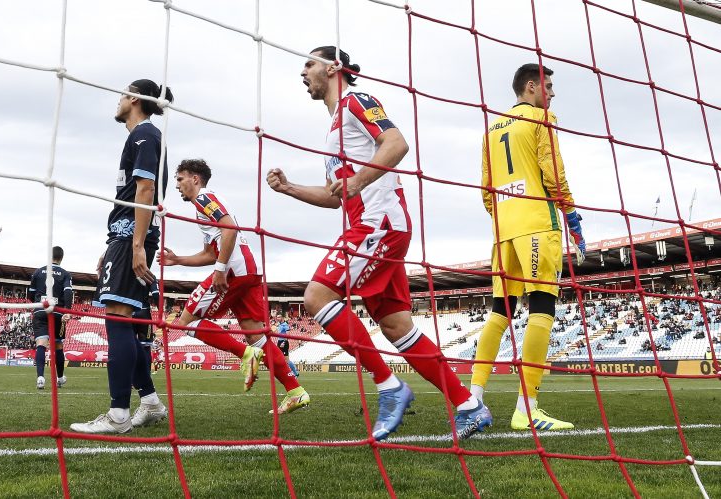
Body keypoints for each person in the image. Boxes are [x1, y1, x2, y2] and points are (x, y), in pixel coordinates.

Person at [266, 46, 489, 441]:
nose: (302, 72)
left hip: (378, 224)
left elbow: (397, 143)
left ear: (334, 68)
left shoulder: (357, 101)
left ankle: (389, 387)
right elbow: (338, 195)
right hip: (374, 225)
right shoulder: (335, 126)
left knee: (316, 296)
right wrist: (289, 189)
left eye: (308, 63)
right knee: (396, 325)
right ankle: (469, 405)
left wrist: (359, 181)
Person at [470, 63, 586, 431]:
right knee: (542, 308)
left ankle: (472, 399)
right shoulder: (541, 119)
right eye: (548, 86)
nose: (552, 94)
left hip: (503, 229)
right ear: (532, 87)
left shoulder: (492, 126)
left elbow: (486, 187)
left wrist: (504, 216)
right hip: (538, 222)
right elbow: (553, 172)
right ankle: (527, 407)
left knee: (499, 313)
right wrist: (571, 215)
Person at [160, 159, 310, 414]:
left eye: (180, 179)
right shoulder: (204, 208)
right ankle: (296, 391)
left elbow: (229, 228)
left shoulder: (204, 199)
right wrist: (178, 260)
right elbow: (210, 252)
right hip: (249, 270)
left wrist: (220, 269)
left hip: (233, 271)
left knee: (183, 322)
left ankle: (245, 354)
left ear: (195, 179)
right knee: (257, 336)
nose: (177, 185)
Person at [70, 79, 173, 434]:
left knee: (118, 316)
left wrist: (135, 245)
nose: (117, 102)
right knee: (125, 320)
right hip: (126, 234)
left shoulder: (145, 134)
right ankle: (150, 402)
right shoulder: (141, 136)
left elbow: (145, 190)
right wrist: (114, 244)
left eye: (121, 95)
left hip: (133, 235)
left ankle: (117, 416)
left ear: (134, 98)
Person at [28, 246, 72, 390]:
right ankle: (59, 378)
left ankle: (40, 378)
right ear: (62, 257)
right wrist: (67, 310)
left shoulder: (38, 271)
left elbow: (30, 293)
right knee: (58, 345)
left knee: (41, 343)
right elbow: (68, 293)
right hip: (57, 311)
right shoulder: (65, 274)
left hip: (41, 309)